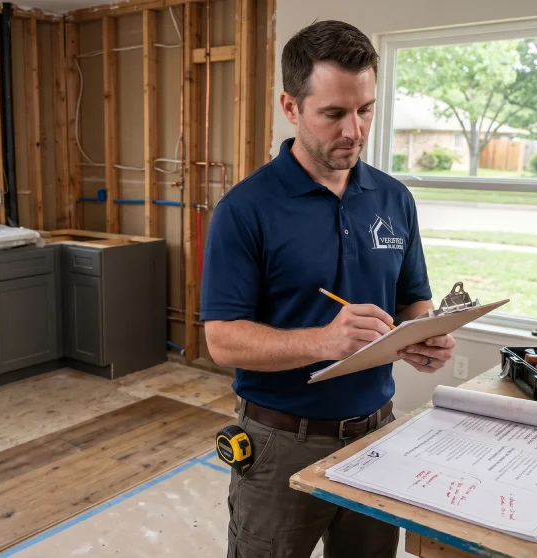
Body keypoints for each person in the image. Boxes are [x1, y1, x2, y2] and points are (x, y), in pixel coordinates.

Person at [200, 19, 457, 558]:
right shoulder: (245, 210)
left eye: (365, 109)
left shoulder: (393, 198)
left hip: (376, 434)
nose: (355, 130)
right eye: (334, 114)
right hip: (279, 444)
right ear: (290, 107)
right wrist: (323, 341)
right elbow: (222, 341)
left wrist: (425, 335)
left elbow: (413, 297)